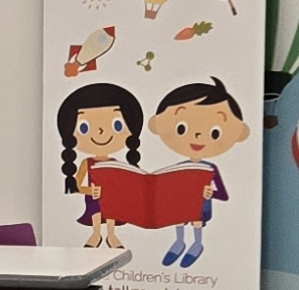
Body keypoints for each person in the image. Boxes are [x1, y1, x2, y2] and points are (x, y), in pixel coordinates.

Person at [150, 79, 248, 267]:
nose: (197, 136)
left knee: (195, 222)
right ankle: (179, 242)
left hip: (200, 207)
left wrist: (210, 193)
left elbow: (223, 194)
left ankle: (197, 244)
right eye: (182, 128)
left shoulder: (210, 169)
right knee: (177, 219)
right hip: (180, 205)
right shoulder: (179, 166)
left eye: (214, 132)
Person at [58, 82, 144, 249]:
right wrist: (89, 190)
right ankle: (96, 233)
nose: (100, 132)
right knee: (96, 210)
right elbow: (76, 184)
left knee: (111, 209)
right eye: (84, 127)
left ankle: (111, 235)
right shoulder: (87, 162)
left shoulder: (115, 164)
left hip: (111, 198)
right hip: (94, 196)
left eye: (116, 125)